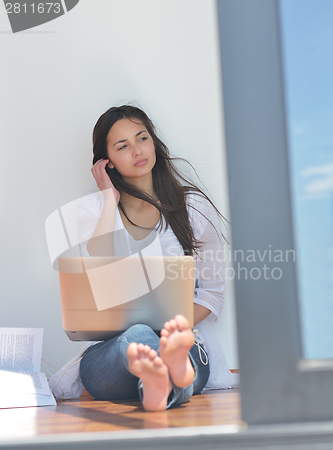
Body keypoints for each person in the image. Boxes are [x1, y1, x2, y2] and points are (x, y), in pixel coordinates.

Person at [49, 105, 238, 410]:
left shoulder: (191, 207)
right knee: (135, 336)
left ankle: (160, 382)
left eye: (142, 138)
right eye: (123, 146)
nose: (137, 150)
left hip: (185, 345)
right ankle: (169, 374)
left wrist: (169, 330)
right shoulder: (94, 211)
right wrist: (109, 200)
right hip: (112, 356)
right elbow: (95, 274)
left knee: (161, 343)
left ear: (154, 142)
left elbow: (213, 293)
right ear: (106, 161)